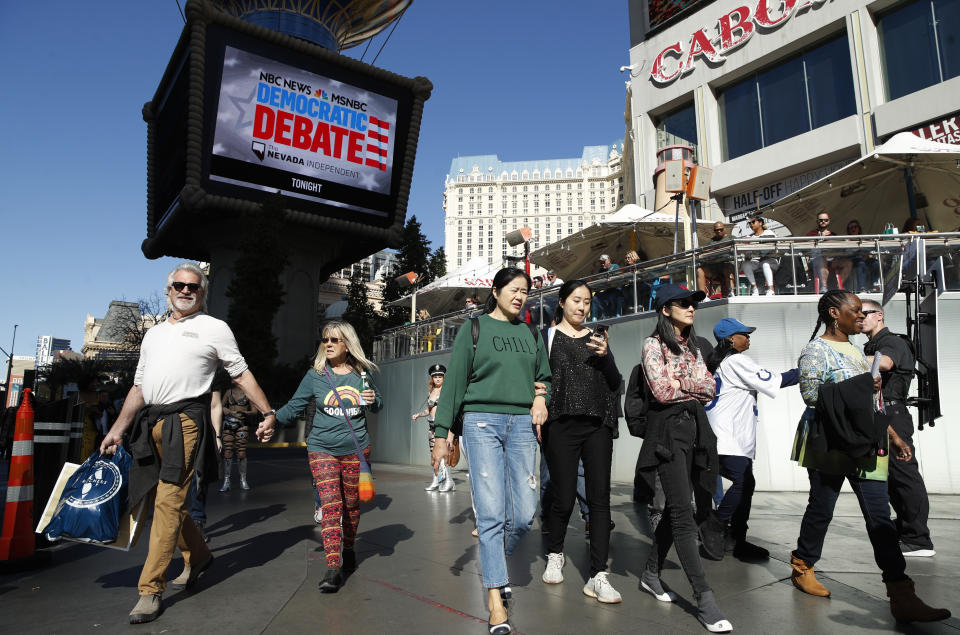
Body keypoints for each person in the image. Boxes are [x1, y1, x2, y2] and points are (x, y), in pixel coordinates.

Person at [99, 262, 277, 625]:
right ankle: (198, 556)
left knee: (167, 502)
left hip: (186, 423)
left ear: (202, 293)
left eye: (193, 287)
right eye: (179, 285)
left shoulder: (215, 328)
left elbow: (240, 374)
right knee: (160, 502)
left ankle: (150, 590)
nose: (185, 291)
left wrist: (267, 412)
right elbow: (138, 388)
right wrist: (118, 428)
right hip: (150, 423)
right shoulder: (153, 335)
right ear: (168, 291)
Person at [788, 291, 949, 623]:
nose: (860, 317)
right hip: (829, 441)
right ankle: (803, 564)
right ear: (835, 313)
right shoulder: (815, 349)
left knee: (879, 518)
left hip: (865, 440)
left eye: (863, 312)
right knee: (822, 509)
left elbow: (871, 401)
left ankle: (901, 593)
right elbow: (811, 394)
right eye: (855, 311)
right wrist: (864, 384)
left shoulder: (858, 351)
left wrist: (894, 436)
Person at [431, 268, 551, 635]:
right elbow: (453, 384)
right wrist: (442, 434)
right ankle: (495, 599)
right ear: (496, 291)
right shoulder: (475, 328)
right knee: (491, 511)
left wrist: (541, 398)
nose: (520, 296)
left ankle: (495, 561)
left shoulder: (531, 332)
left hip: (520, 426)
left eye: (525, 291)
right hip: (481, 422)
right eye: (513, 290)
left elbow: (543, 375)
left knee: (526, 512)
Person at [635, 283, 731, 633]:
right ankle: (704, 598)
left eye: (693, 303)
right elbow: (660, 391)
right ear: (665, 310)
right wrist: (691, 385)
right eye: (683, 303)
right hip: (667, 434)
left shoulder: (693, 347)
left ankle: (649, 573)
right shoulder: (652, 345)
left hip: (696, 429)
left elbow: (710, 388)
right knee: (682, 513)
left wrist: (685, 382)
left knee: (683, 507)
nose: (691, 308)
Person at [275, 320, 382, 593]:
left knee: (351, 506)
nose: (329, 344)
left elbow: (378, 404)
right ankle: (333, 567)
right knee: (331, 506)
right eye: (325, 340)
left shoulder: (362, 374)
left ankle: (349, 548)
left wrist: (373, 400)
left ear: (347, 343)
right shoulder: (316, 375)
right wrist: (270, 420)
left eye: (335, 340)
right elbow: (294, 405)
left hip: (356, 449)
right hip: (321, 447)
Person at [540, 280, 623, 603]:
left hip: (597, 425)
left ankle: (599, 574)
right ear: (561, 302)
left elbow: (615, 384)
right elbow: (539, 379)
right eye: (576, 300)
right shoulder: (546, 338)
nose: (582, 307)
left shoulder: (597, 339)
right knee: (562, 497)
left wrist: (606, 357)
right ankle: (555, 553)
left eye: (587, 302)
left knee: (600, 499)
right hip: (560, 425)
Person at [699, 318, 798, 562]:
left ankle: (737, 539)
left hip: (728, 438)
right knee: (743, 483)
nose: (749, 337)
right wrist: (805, 371)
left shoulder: (723, 362)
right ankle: (717, 525)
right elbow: (775, 381)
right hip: (727, 437)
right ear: (731, 339)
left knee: (747, 484)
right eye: (745, 334)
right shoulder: (736, 360)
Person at [860, 299, 935, 557]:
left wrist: (844, 356)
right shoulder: (873, 344)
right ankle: (906, 528)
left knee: (903, 475)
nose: (860, 319)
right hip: (884, 412)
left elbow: (886, 363)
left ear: (879, 315)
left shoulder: (890, 341)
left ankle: (918, 538)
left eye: (864, 314)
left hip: (892, 413)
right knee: (891, 477)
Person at [412, 364, 455, 492]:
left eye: (440, 376)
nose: (437, 379)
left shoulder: (447, 391)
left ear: (444, 378)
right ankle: (436, 481)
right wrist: (418, 415)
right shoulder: (430, 392)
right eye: (435, 376)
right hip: (431, 426)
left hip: (443, 426)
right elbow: (428, 410)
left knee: (444, 456)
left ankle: (448, 481)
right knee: (434, 456)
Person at [219, 379, 256, 491]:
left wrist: (245, 413)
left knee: (241, 453)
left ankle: (243, 480)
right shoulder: (228, 392)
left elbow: (254, 411)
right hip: (228, 423)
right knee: (228, 451)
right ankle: (226, 481)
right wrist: (224, 409)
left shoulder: (248, 392)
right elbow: (219, 406)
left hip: (242, 424)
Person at [741, 215, 779, 296]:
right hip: (757, 262)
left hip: (771, 260)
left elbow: (775, 246)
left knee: (765, 264)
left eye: (753, 222)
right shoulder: (750, 237)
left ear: (760, 223)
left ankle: (771, 290)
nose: (751, 224)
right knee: (745, 264)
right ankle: (755, 288)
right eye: (749, 223)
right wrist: (747, 255)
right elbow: (749, 255)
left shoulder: (769, 232)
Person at [696, 222, 735, 298]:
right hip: (713, 266)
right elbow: (704, 251)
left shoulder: (731, 238)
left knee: (728, 270)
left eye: (721, 229)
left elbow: (737, 247)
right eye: (716, 230)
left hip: (726, 264)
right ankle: (703, 296)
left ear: (724, 229)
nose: (719, 231)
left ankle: (731, 292)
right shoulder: (711, 241)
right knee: (699, 270)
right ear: (714, 231)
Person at [806, 211, 835, 293]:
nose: (823, 222)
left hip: (832, 259)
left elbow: (838, 248)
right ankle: (824, 287)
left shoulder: (833, 235)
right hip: (815, 260)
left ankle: (839, 287)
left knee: (848, 263)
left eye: (825, 220)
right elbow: (807, 246)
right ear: (817, 221)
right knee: (822, 259)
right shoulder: (811, 234)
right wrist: (821, 236)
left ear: (829, 221)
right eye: (821, 220)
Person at [593, 254, 622, 319]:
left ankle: (613, 313)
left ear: (609, 261)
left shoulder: (615, 266)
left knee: (612, 296)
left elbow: (617, 278)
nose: (602, 264)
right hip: (606, 290)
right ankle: (607, 312)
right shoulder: (601, 270)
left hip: (615, 289)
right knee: (595, 298)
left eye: (603, 262)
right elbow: (599, 280)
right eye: (601, 263)